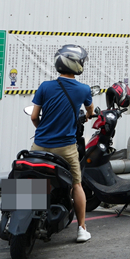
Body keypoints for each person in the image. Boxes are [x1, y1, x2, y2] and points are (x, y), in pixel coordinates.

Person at [29, 44, 95, 242]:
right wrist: (89, 115)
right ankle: (82, 229)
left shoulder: (45, 86)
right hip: (65, 148)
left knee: (30, 180)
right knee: (76, 184)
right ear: (77, 65)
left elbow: (34, 116)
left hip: (39, 146)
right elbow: (90, 112)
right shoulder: (83, 89)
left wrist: (42, 131)